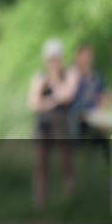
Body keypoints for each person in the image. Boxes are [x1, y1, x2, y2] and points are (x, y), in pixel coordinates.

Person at [27, 38, 78, 211]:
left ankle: (71, 199)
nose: (53, 62)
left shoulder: (69, 74)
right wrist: (52, 99)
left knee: (66, 162)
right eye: (50, 59)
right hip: (43, 123)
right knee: (41, 163)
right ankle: (39, 205)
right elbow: (33, 103)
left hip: (61, 122)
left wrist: (53, 85)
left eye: (56, 58)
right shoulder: (39, 77)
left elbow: (67, 96)